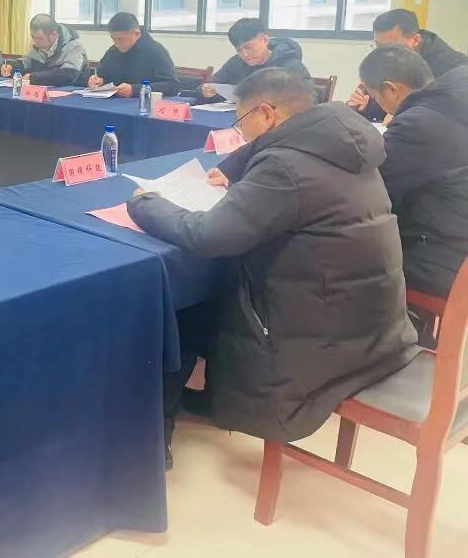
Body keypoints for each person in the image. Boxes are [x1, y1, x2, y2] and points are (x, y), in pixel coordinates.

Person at [127, 68, 417, 461]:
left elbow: (209, 235)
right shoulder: (345, 145)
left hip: (319, 340)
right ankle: (211, 397)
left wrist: (147, 204)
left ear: (267, 113)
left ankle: (152, 436)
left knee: (188, 306)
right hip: (372, 328)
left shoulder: (285, 164)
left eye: (242, 121)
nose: (241, 133)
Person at [360, 45, 468, 299]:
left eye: (375, 97)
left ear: (391, 89)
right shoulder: (453, 99)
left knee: (345, 258)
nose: (378, 105)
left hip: (444, 257)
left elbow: (371, 182)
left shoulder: (418, 124)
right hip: (457, 237)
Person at [349, 9, 468, 121]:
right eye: (378, 45)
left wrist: (406, 114)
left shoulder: (452, 67)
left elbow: (452, 114)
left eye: (390, 46)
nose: (383, 53)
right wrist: (366, 106)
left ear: (415, 40)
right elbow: (386, 102)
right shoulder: (388, 57)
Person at [201, 18, 310, 98]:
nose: (245, 54)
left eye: (248, 47)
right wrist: (207, 90)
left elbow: (309, 98)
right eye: (239, 50)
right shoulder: (236, 62)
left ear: (265, 40)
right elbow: (213, 83)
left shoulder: (290, 65)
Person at [88, 12, 178, 97]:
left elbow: (171, 86)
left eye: (121, 39)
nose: (117, 44)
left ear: (137, 34)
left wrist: (134, 90)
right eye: (113, 39)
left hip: (142, 103)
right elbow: (102, 76)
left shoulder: (155, 51)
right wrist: (98, 81)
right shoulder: (113, 51)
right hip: (112, 102)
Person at [1, 13, 88, 86]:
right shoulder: (39, 45)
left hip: (72, 94)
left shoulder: (75, 46)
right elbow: (26, 63)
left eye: (40, 38)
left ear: (53, 35)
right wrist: (12, 68)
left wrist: (33, 78)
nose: (36, 42)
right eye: (33, 37)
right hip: (43, 93)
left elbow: (68, 75)